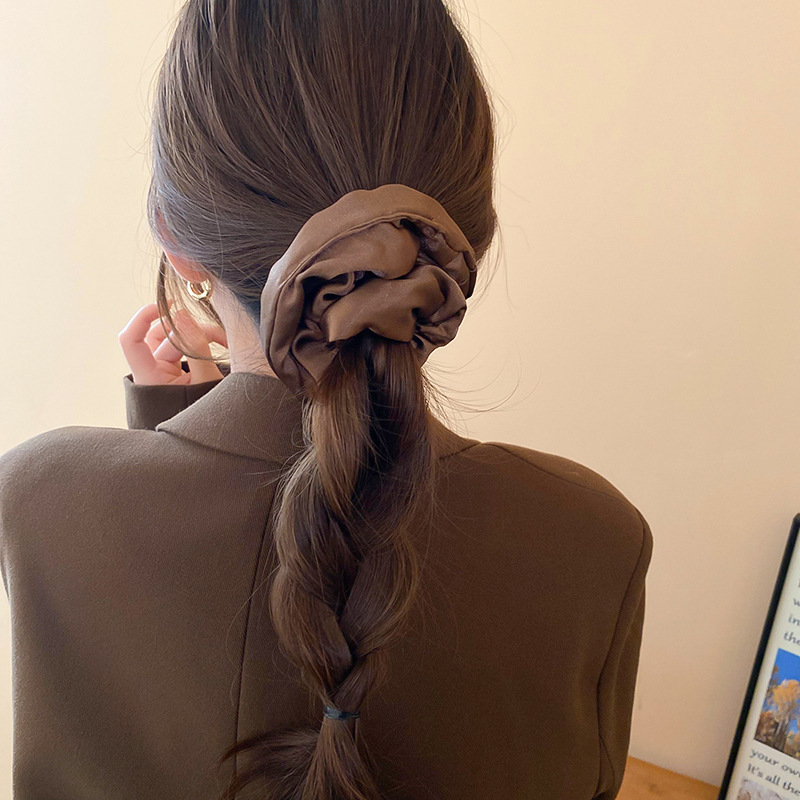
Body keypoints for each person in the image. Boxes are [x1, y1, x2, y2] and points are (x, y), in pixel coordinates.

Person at [0, 0, 653, 798]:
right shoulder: (592, 538)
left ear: (174, 235)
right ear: (457, 245)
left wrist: (178, 431)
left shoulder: (38, 498)